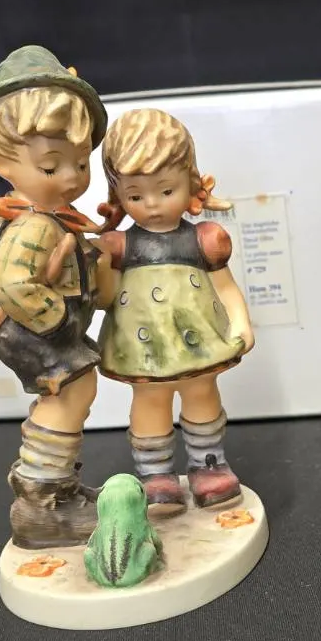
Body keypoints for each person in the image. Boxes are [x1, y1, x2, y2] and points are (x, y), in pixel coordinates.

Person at [0, 45, 113, 548]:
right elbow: (10, 283)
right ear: (1, 162)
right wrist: (57, 322)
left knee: (76, 394)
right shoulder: (32, 226)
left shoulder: (55, 220)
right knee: (67, 396)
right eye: (52, 167)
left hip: (49, 330)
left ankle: (57, 488)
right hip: (36, 332)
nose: (71, 178)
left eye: (81, 164)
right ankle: (41, 503)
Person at [92, 108, 253, 514]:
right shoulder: (120, 246)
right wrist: (101, 266)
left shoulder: (205, 239)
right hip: (142, 346)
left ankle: (208, 465)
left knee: (202, 393)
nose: (152, 205)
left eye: (166, 190)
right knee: (150, 401)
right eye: (135, 196)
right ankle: (156, 475)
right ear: (117, 195)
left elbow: (225, 286)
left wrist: (241, 322)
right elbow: (105, 298)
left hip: (199, 340)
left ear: (191, 182)